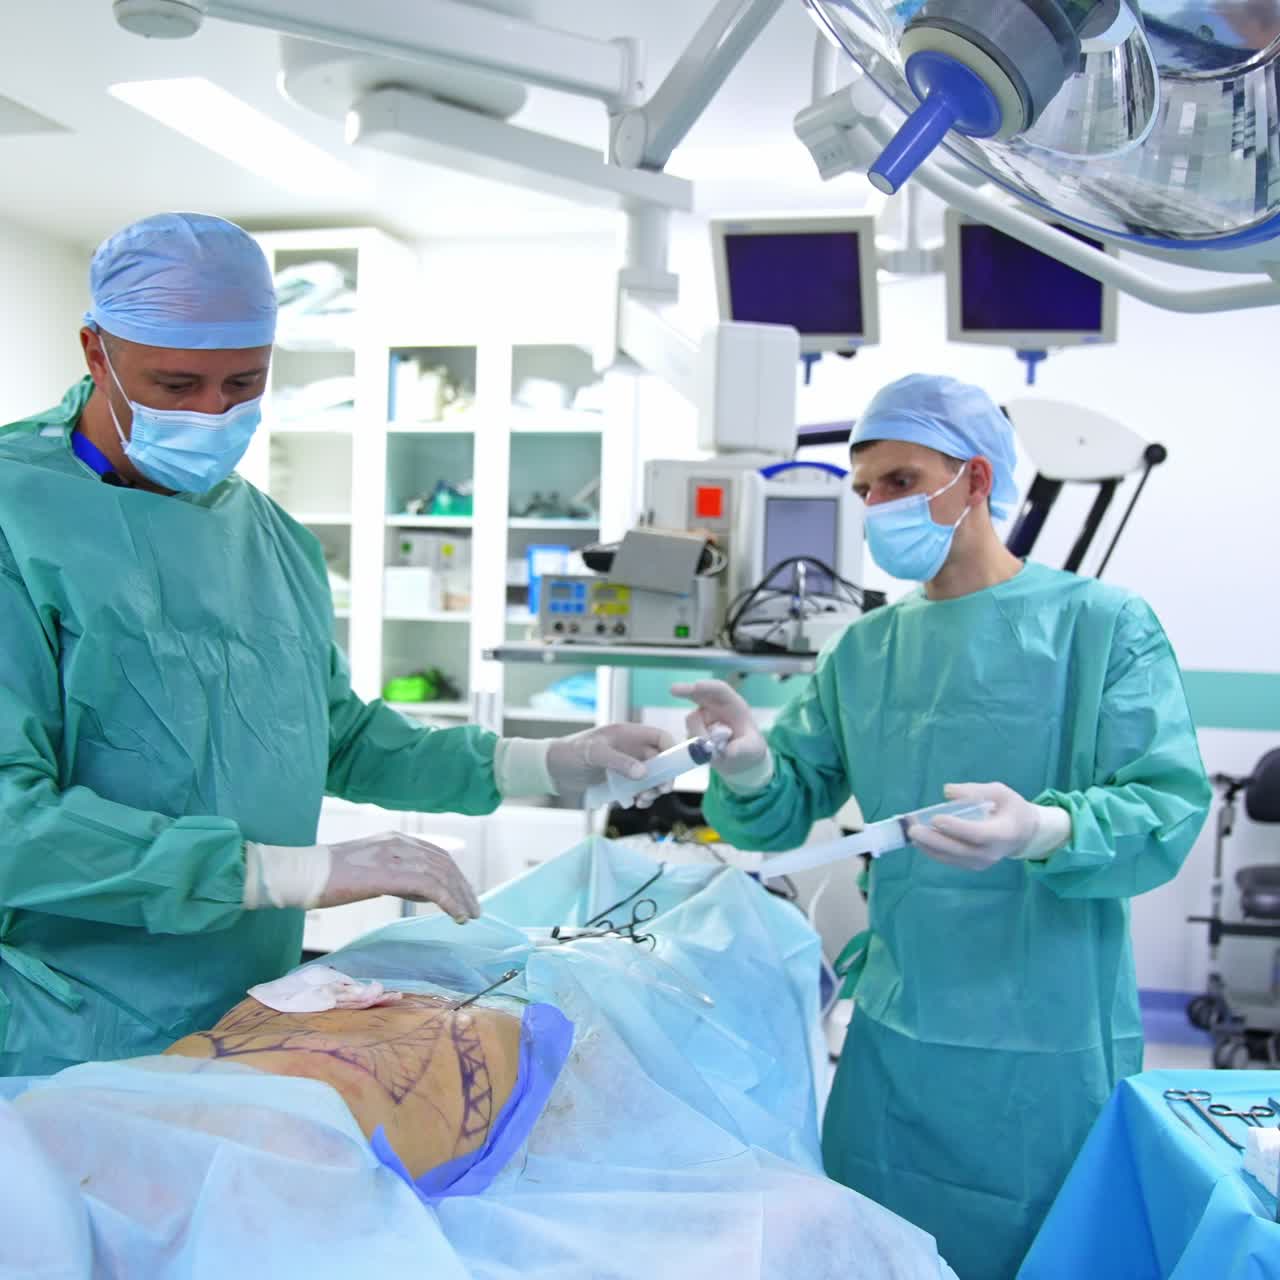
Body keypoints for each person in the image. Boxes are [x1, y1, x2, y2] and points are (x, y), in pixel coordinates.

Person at [0, 212, 670, 1077]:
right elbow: (12, 823)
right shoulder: (18, 523)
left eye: (243, 382)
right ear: (97, 352)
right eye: (176, 383)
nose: (212, 411)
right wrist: (277, 874)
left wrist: (539, 763)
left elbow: (333, 735)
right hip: (57, 1028)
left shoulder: (270, 538)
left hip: (246, 1010)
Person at [675, 374, 1211, 1279]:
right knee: (879, 1249)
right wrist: (749, 761)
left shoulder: (1102, 625)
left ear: (976, 479)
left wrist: (1044, 828)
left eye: (901, 480)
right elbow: (785, 800)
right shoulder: (866, 649)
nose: (879, 506)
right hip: (899, 1033)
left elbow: (1166, 803)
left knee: (1049, 1249)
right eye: (866, 489)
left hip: (1048, 1039)